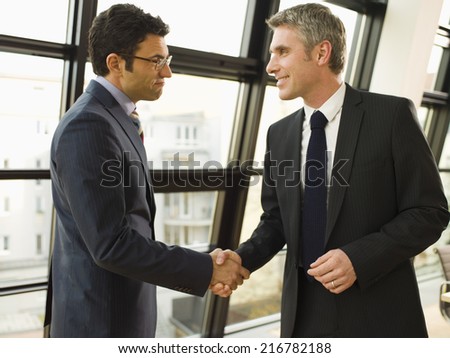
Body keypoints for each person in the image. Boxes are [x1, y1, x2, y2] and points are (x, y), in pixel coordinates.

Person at [213, 3, 449, 337]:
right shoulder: (278, 134)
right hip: (303, 316)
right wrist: (241, 260)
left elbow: (430, 211)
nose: (270, 66)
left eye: (282, 52)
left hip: (379, 312)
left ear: (322, 52)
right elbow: (277, 219)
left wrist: (359, 258)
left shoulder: (391, 116)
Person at [45, 4, 248, 338]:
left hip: (120, 315)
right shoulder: (88, 126)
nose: (166, 73)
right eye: (156, 61)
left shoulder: (116, 119)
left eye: (167, 61)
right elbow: (111, 244)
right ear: (115, 63)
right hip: (99, 324)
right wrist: (206, 268)